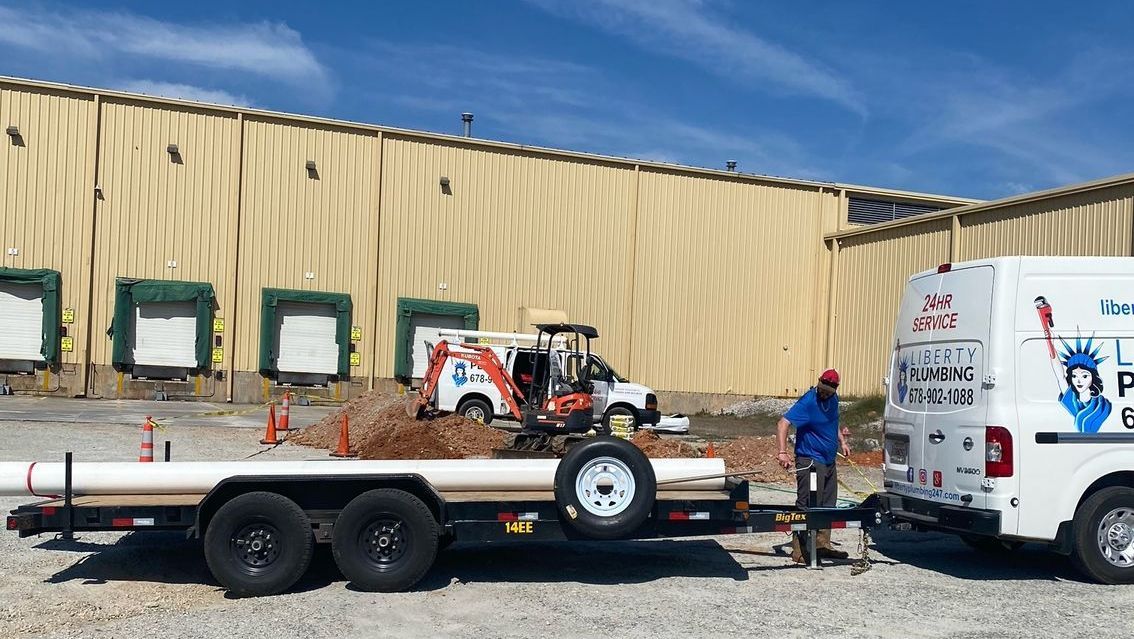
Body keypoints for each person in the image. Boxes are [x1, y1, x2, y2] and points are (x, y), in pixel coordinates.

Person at [776, 369, 851, 564]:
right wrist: (782, 452)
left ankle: (821, 545)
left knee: (828, 504)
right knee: (807, 503)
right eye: (821, 389)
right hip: (809, 459)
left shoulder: (834, 400)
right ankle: (800, 549)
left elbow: (833, 422)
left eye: (828, 391)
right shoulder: (808, 401)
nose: (823, 393)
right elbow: (783, 423)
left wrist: (842, 442)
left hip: (828, 460)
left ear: (835, 389)